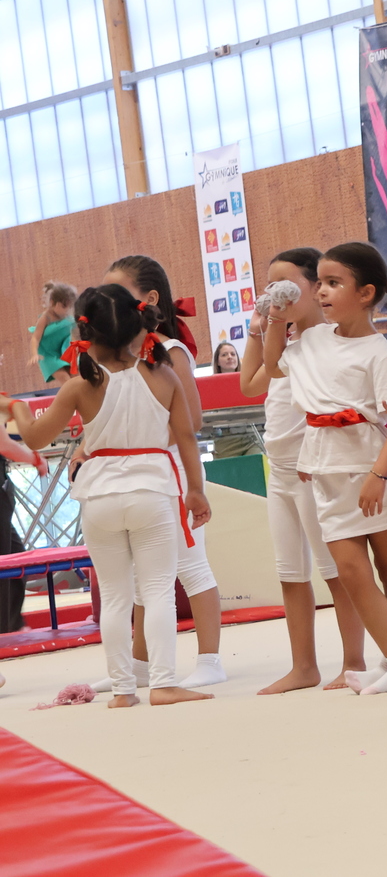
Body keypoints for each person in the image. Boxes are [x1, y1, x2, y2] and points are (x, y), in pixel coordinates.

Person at [14, 286, 213, 706]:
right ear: (138, 325)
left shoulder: (80, 386)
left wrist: (16, 409)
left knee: (116, 597)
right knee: (157, 591)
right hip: (152, 491)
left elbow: (34, 438)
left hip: (99, 496)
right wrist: (195, 491)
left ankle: (124, 690)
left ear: (84, 333)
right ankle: (162, 683)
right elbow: (186, 438)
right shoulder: (163, 376)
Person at [263, 242, 387, 695]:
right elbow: (271, 366)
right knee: (351, 572)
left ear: (366, 293)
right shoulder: (310, 340)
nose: (322, 292)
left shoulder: (379, 352)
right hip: (326, 471)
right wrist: (274, 317)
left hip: (371, 468)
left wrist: (379, 476)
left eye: (333, 283)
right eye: (320, 283)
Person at [238, 247, 368, 693]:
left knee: (335, 570)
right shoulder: (286, 347)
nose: (277, 293)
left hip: (315, 466)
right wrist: (259, 327)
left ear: (315, 288)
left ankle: (354, 661)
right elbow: (249, 384)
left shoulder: (330, 339)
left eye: (286, 285)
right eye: (270, 285)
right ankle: (303, 666)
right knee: (290, 571)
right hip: (280, 470)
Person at [99, 255, 226, 690]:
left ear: (149, 298)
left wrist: (145, 439)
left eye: (119, 292)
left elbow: (193, 418)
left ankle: (210, 658)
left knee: (191, 565)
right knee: (142, 576)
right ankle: (137, 666)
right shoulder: (119, 358)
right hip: (138, 472)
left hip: (172, 470)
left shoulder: (170, 350)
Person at [26, 282, 77, 387]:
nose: (67, 310)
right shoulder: (46, 318)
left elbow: (76, 333)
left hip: (63, 351)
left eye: (70, 307)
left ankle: (77, 395)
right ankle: (71, 395)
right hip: (48, 355)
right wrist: (34, 354)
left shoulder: (68, 317)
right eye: (64, 306)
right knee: (65, 379)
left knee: (76, 376)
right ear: (53, 303)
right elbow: (35, 338)